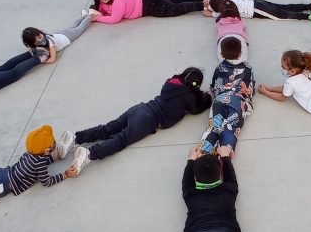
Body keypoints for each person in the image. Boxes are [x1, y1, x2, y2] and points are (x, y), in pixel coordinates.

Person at [66, 68, 212, 176]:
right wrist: (205, 97)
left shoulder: (171, 82)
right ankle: (90, 153)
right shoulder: (188, 96)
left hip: (140, 108)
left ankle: (76, 138)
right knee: (122, 139)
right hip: (149, 119)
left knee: (109, 128)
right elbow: (196, 109)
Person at [201, 39, 253, 157]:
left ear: (222, 54)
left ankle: (204, 154)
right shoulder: (247, 68)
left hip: (219, 100)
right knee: (230, 128)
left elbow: (213, 86)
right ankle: (225, 155)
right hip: (237, 102)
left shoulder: (219, 67)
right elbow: (250, 88)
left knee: (214, 127)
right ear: (240, 53)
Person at [204, 0, 311, 21]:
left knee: (282, 15)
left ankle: (308, 16)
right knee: (282, 7)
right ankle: (307, 6)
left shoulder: (229, 8)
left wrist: (212, 14)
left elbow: (229, 16)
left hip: (257, 10)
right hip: (258, 2)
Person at [21, 13, 92, 63]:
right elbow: (31, 48)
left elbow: (52, 59)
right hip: (58, 34)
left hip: (66, 37)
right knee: (73, 26)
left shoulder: (50, 43)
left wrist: (40, 61)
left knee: (79, 29)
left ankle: (90, 16)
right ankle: (84, 16)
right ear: (32, 43)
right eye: (37, 41)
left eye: (40, 37)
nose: (41, 40)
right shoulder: (36, 43)